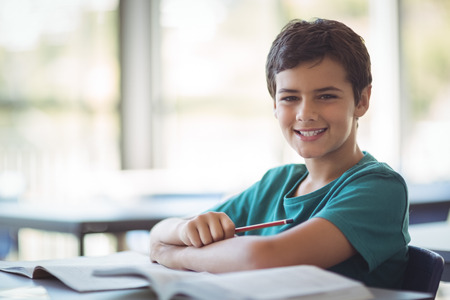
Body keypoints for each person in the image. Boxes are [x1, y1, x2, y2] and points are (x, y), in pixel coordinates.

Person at [149, 18, 410, 289]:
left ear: (362, 100)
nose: (305, 114)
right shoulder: (276, 183)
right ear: (275, 105)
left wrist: (174, 254)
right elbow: (160, 233)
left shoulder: (379, 188)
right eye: (290, 98)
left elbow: (261, 258)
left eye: (326, 96)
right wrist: (181, 231)